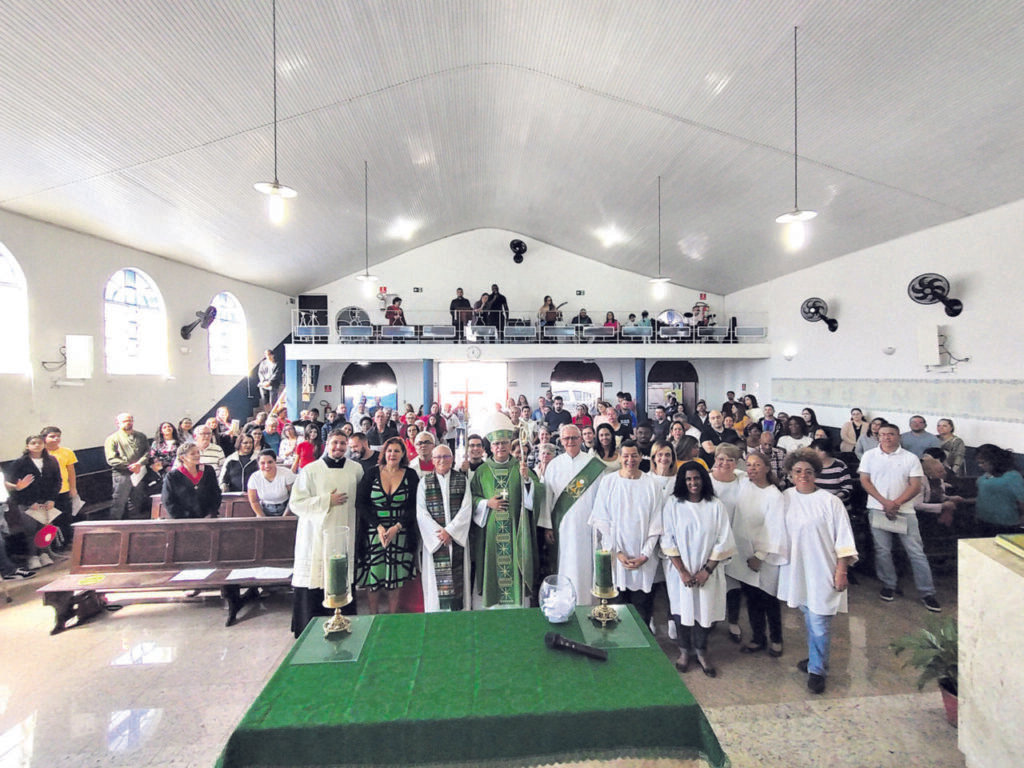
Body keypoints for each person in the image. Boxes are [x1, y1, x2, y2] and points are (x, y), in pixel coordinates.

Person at [763, 449, 857, 694]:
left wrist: (842, 570)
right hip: (796, 569)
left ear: (816, 474)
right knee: (809, 615)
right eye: (797, 471)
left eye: (808, 471)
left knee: (820, 620)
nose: (803, 475)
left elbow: (844, 539)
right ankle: (815, 658)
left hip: (823, 569)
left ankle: (817, 671)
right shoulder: (785, 498)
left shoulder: (830, 502)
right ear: (790, 474)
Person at [661, 461, 735, 678]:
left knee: (704, 613)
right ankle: (684, 652)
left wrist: (707, 570)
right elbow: (667, 539)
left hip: (707, 572)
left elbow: (724, 540)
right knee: (681, 612)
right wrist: (682, 571)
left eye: (697, 478)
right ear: (682, 482)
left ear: (704, 479)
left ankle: (702, 652)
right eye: (688, 479)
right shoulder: (673, 504)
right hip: (680, 572)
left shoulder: (715, 505)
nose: (693, 483)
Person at [288, 429, 364, 637]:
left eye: (342, 443)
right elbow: (296, 503)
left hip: (344, 532)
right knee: (316, 577)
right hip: (315, 535)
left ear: (347, 445)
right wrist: (326, 501)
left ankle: (343, 619)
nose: (338, 447)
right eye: (334, 443)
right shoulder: (311, 470)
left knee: (340, 577)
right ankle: (309, 627)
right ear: (326, 444)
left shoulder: (355, 469)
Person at [859, 424, 940, 611]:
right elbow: (865, 480)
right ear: (878, 437)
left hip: (905, 510)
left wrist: (895, 503)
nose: (886, 437)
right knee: (882, 550)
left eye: (891, 434)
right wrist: (884, 502)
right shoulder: (870, 456)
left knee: (916, 552)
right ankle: (889, 585)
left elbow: (915, 485)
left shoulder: (910, 458)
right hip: (877, 508)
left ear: (898, 436)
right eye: (882, 434)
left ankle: (927, 592)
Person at [589, 441, 662, 624]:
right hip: (616, 558)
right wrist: (618, 552)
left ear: (640, 457)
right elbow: (602, 520)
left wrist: (645, 554)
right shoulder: (608, 482)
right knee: (617, 610)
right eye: (626, 456)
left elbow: (657, 523)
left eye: (634, 455)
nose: (630, 460)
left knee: (642, 611)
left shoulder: (652, 484)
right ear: (620, 458)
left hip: (644, 558)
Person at [469, 413, 537, 608]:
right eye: (497, 444)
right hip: (490, 532)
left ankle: (516, 603)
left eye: (504, 443)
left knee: (514, 565)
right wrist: (486, 503)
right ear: (490, 447)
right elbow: (471, 498)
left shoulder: (521, 467)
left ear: (510, 445)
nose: (500, 447)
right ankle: (493, 604)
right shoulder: (482, 471)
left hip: (515, 529)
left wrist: (527, 481)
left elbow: (535, 497)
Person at [538, 425, 606, 606]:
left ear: (581, 439)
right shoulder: (554, 465)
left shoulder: (594, 464)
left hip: (588, 526)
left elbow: (602, 497)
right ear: (560, 441)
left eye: (574, 438)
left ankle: (588, 602)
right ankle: (564, 602)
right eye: (566, 439)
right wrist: (547, 526)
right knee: (565, 564)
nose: (570, 442)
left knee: (586, 566)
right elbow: (546, 497)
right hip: (563, 526)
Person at [729, 452, 785, 657]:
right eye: (749, 465)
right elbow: (729, 468)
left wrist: (760, 556)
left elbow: (775, 528)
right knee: (752, 599)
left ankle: (777, 639)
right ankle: (758, 637)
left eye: (757, 465)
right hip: (743, 554)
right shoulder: (744, 483)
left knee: (768, 599)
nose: (752, 469)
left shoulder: (774, 495)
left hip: (765, 557)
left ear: (767, 468)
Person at [356, 437, 419, 614]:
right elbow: (361, 503)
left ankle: (393, 616)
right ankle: (373, 616)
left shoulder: (410, 475)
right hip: (374, 532)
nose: (393, 454)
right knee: (374, 577)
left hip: (400, 532)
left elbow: (414, 506)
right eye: (389, 450)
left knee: (395, 578)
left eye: (397, 451)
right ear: (384, 453)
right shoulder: (371, 473)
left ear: (403, 454)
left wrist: (397, 527)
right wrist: (379, 527)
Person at [416, 444, 472, 612]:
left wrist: (451, 532)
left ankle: (460, 616)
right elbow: (421, 512)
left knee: (459, 581)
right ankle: (436, 614)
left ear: (452, 458)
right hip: (436, 542)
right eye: (438, 457)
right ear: (432, 460)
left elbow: (466, 508)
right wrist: (441, 535)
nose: (442, 460)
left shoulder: (462, 480)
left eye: (446, 456)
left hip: (456, 540)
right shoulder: (424, 482)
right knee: (435, 586)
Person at [5, 435, 62, 569]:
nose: (37, 445)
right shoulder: (20, 463)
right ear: (27, 446)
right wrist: (21, 491)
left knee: (45, 529)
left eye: (40, 443)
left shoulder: (51, 461)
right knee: (30, 529)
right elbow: (9, 482)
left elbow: (57, 481)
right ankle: (33, 556)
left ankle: (44, 554)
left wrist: (51, 499)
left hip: (46, 501)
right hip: (27, 502)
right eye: (33, 443)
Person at [710, 442, 746, 645]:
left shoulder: (742, 480)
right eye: (721, 458)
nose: (725, 463)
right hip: (712, 541)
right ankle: (713, 617)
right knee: (714, 582)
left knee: (733, 584)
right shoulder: (707, 480)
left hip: (736, 538)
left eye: (730, 460)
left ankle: (733, 621)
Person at [950, 444, 1024, 536]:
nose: (980, 466)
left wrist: (1022, 519)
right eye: (979, 463)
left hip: (1005, 524)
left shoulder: (1012, 476)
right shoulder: (986, 475)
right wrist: (964, 500)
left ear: (994, 461)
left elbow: (1022, 501)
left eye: (983, 462)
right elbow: (985, 497)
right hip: (984, 521)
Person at [104, 412, 151, 519]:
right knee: (119, 502)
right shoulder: (112, 438)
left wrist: (139, 463)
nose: (128, 423)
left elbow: (147, 452)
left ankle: (134, 528)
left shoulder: (141, 436)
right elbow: (111, 459)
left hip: (138, 473)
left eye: (130, 420)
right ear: (118, 423)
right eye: (125, 421)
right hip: (122, 474)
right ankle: (114, 528)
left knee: (136, 501)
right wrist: (129, 465)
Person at [40, 426, 78, 549]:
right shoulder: (39, 453)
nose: (56, 439)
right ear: (44, 438)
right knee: (49, 520)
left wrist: (73, 488)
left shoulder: (66, 452)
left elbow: (71, 472)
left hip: (63, 490)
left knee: (65, 517)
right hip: (46, 493)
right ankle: (52, 546)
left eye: (58, 436)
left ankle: (67, 542)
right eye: (52, 436)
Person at [161, 442, 222, 519]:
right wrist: (184, 517)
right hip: (182, 520)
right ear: (182, 457)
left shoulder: (208, 471)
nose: (197, 455)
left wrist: (211, 513)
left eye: (198, 452)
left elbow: (216, 494)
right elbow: (168, 500)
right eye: (193, 454)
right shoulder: (172, 476)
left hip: (208, 518)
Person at [247, 449, 295, 516]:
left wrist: (285, 517)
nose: (266, 466)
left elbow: (293, 497)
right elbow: (254, 501)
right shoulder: (254, 478)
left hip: (287, 508)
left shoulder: (287, 473)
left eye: (270, 462)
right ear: (258, 464)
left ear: (275, 462)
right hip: (264, 509)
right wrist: (263, 517)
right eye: (262, 463)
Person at [810, 438, 853, 511]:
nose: (816, 453)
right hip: (815, 504)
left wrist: (834, 498)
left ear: (827, 451)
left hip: (836, 504)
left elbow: (847, 488)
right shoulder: (810, 466)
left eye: (820, 451)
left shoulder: (839, 465)